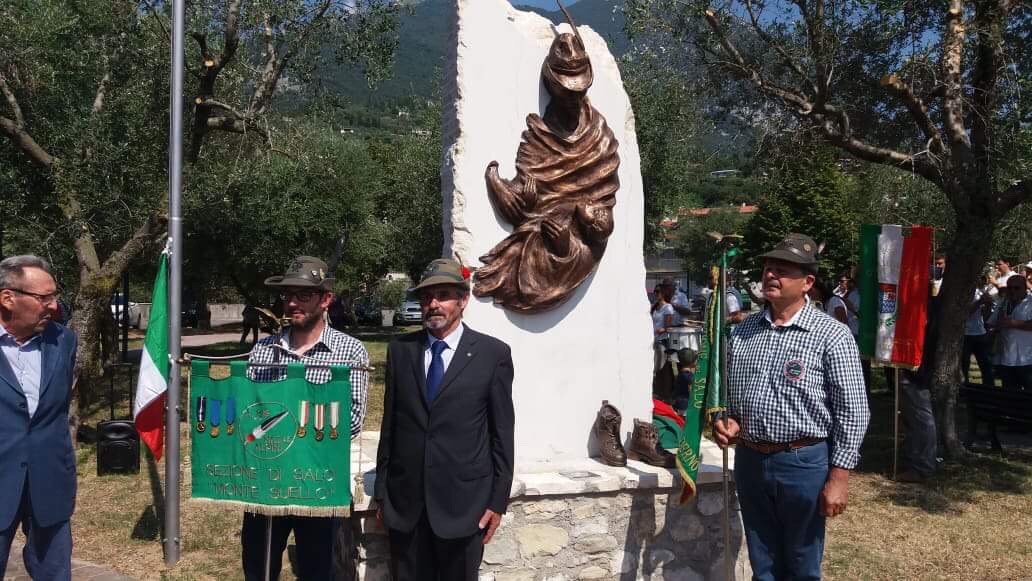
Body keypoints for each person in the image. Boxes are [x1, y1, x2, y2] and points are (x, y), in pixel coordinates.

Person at [712, 234, 869, 580]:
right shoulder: (741, 332)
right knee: (762, 564)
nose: (770, 276)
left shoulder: (831, 334)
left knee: (801, 564)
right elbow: (733, 398)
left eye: (782, 271)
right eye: (768, 268)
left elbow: (853, 409)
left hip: (803, 463)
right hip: (751, 460)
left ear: (807, 283)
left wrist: (840, 477)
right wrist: (730, 421)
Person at [374, 258, 515, 580]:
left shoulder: (492, 354)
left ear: (463, 300)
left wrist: (497, 501)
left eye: (443, 295)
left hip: (464, 507)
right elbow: (391, 425)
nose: (433, 304)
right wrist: (383, 492)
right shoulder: (401, 350)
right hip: (406, 505)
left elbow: (501, 432)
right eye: (426, 297)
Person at [242, 256, 370, 580]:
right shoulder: (263, 352)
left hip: (318, 485)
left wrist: (285, 419)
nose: (293, 302)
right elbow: (251, 412)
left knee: (317, 570)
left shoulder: (351, 352)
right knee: (258, 568)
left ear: (325, 299)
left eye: (303, 295)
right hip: (266, 483)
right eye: (287, 295)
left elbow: (352, 420)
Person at [0, 255, 78, 579]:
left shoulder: (64, 340)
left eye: (55, 296)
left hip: (50, 482)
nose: (53, 306)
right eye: (44, 298)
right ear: (8, 298)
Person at [986, 275, 1032, 391]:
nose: (1012, 291)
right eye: (1009, 288)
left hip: (1027, 360)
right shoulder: (1003, 302)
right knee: (1010, 397)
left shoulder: (1030, 302)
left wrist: (1013, 323)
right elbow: (991, 323)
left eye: (1016, 288)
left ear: (1025, 288)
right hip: (1005, 360)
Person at [651, 285, 677, 399]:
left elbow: (669, 326)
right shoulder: (654, 307)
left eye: (658, 292)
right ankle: (659, 393)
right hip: (654, 340)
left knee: (662, 369)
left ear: (663, 293)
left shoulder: (668, 307)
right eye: (655, 292)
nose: (656, 294)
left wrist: (662, 330)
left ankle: (665, 394)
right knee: (656, 369)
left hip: (663, 340)